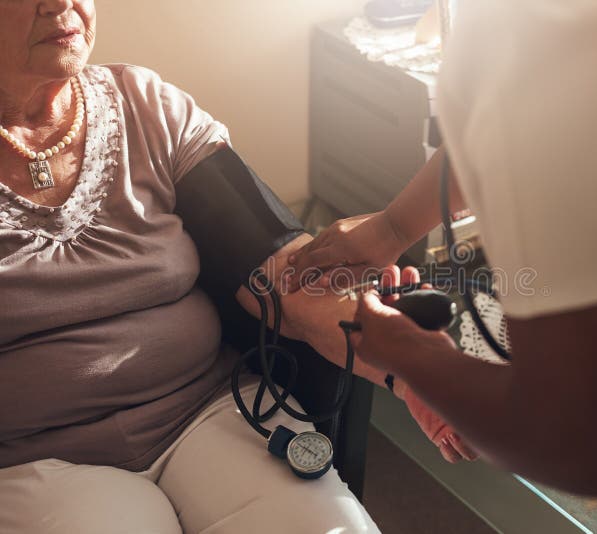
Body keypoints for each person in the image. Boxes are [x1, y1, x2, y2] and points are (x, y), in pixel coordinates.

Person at [287, 0, 597, 531]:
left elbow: (586, 450)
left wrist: (409, 354)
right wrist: (391, 228)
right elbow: (519, 116)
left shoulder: (558, 40)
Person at [0, 1, 477, 532]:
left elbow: (285, 277)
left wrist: (408, 367)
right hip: (35, 460)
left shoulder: (144, 105)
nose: (61, 2)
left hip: (208, 413)